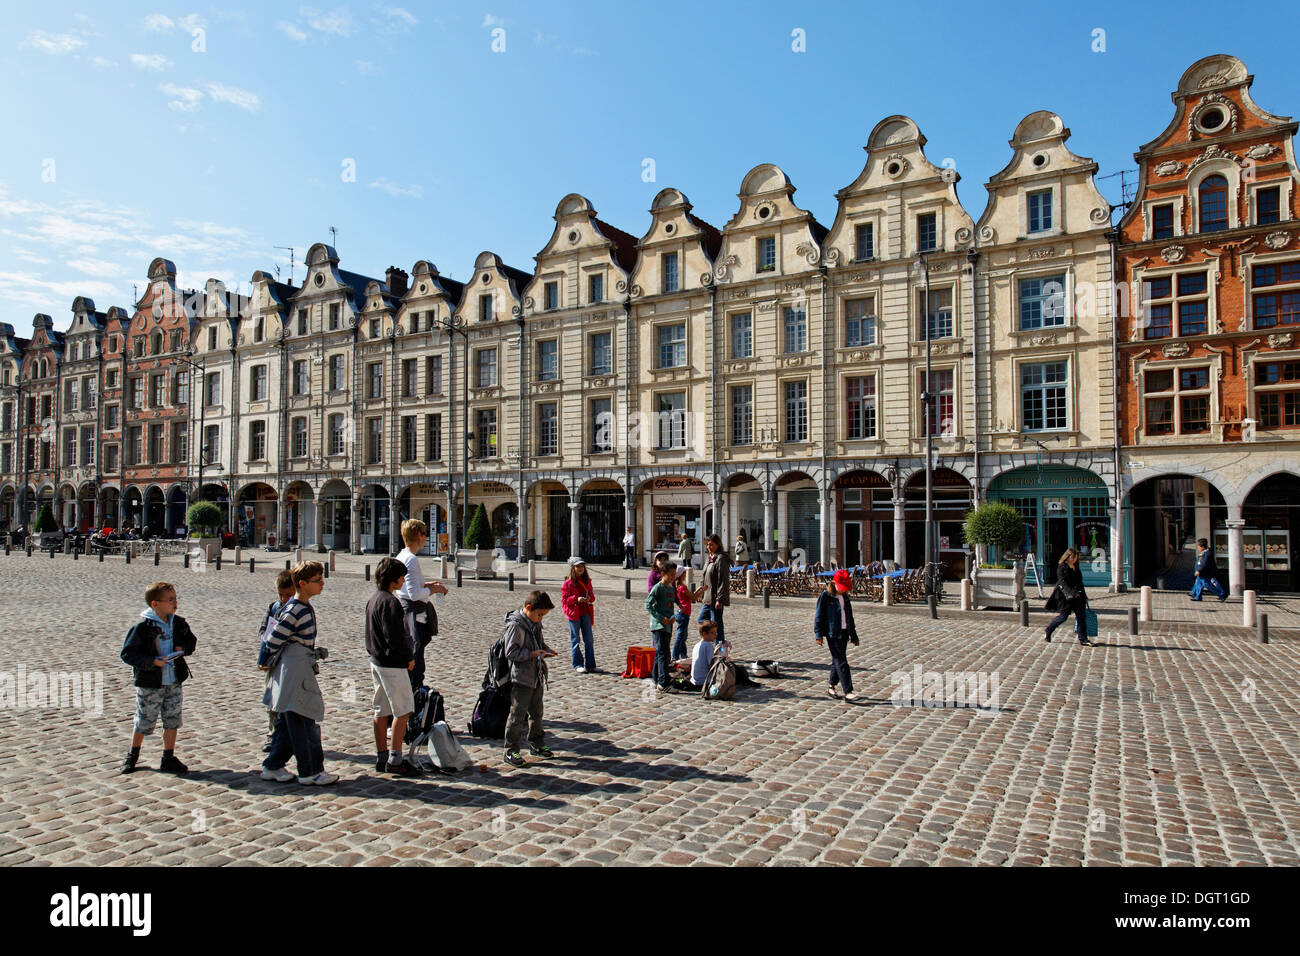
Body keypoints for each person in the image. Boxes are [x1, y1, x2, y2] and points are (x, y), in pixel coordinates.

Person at [261, 561, 338, 785]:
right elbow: (273, 639)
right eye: (318, 580)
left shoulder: (302, 607)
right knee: (303, 722)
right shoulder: (296, 609)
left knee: (289, 722)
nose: (322, 584)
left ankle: (272, 766)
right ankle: (309, 770)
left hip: (297, 667)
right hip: (294, 671)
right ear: (303, 584)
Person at [119, 581, 197, 774]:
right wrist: (152, 661)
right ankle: (133, 754)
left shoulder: (178, 623)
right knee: (145, 719)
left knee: (172, 719)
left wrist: (183, 649)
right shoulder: (143, 627)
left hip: (173, 680)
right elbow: (128, 654)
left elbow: (191, 642)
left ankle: (168, 756)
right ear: (155, 604)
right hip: (150, 683)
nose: (175, 603)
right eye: (170, 600)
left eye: (175, 598)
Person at [367, 557, 420, 777]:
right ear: (396, 579)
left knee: (381, 709)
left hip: (376, 660)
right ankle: (396, 758)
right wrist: (408, 656)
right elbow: (395, 637)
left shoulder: (374, 599)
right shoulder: (391, 602)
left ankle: (381, 756)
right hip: (392, 663)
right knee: (403, 710)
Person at [502, 591, 558, 768]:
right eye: (539, 614)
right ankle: (510, 749)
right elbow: (510, 652)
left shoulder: (535, 623)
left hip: (536, 675)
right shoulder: (516, 626)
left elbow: (539, 643)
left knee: (537, 713)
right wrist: (533, 654)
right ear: (528, 608)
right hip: (522, 677)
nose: (541, 618)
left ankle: (536, 743)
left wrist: (546, 650)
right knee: (518, 714)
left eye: (544, 616)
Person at [394, 518, 448, 691]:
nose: (426, 538)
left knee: (415, 658)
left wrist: (429, 586)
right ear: (418, 535)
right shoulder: (410, 559)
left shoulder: (402, 556)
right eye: (424, 534)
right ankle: (414, 701)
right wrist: (432, 591)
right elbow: (414, 594)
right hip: (413, 614)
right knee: (416, 663)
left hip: (409, 611)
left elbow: (410, 587)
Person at [257, 569, 297, 752]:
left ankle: (290, 734)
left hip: (290, 662)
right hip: (274, 661)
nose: (284, 599)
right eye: (281, 595)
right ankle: (272, 734)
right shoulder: (274, 608)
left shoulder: (298, 609)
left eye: (288, 595)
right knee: (272, 700)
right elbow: (263, 631)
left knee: (291, 700)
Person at [815, 569, 860, 701]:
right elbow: (819, 616)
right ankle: (848, 691)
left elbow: (849, 617)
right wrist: (818, 634)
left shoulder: (845, 597)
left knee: (837, 660)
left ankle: (831, 686)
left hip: (844, 632)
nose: (843, 590)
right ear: (834, 584)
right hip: (832, 633)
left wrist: (854, 635)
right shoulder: (825, 596)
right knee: (842, 662)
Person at [1045, 548, 1091, 646]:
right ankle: (1049, 629)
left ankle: (1083, 639)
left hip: (1078, 595)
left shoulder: (1076, 567)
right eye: (1073, 557)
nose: (1075, 559)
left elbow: (1079, 582)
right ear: (1068, 557)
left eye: (1076, 558)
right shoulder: (1062, 567)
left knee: (1081, 617)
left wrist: (1083, 595)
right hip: (1066, 596)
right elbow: (1062, 582)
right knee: (1063, 617)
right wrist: (1072, 593)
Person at [560, 557, 597, 674]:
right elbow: (564, 600)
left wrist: (590, 598)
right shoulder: (568, 583)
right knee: (575, 640)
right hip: (574, 614)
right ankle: (577, 664)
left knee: (589, 640)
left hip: (585, 612)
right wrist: (576, 599)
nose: (580, 568)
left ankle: (591, 665)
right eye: (578, 566)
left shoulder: (587, 581)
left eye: (582, 566)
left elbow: (592, 596)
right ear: (573, 568)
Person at [646, 561, 678, 692]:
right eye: (670, 575)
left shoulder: (671, 588)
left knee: (661, 652)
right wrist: (660, 618)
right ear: (662, 574)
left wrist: (672, 617)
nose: (673, 577)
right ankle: (663, 683)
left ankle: (655, 679)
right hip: (658, 625)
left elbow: (669, 606)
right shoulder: (658, 587)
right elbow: (648, 605)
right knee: (663, 654)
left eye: (674, 575)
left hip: (668, 625)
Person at [696, 533, 731, 646]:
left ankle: (719, 646)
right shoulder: (709, 558)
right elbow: (704, 578)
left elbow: (723, 580)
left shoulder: (720, 559)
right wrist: (700, 594)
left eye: (711, 545)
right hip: (707, 596)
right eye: (708, 545)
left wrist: (720, 599)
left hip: (715, 597)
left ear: (717, 545)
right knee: (702, 619)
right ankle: (711, 642)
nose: (708, 547)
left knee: (716, 623)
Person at [690, 620, 726, 687]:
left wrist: (714, 653)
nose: (716, 634)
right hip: (705, 680)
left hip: (694, 679)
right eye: (713, 633)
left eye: (716, 632)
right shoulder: (708, 645)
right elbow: (711, 664)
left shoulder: (697, 645)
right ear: (704, 633)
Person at [672, 564, 693, 661]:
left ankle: (683, 654)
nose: (686, 574)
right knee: (681, 636)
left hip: (681, 613)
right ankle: (675, 655)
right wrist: (701, 590)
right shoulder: (682, 587)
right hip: (684, 613)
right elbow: (692, 597)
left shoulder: (678, 586)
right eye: (684, 573)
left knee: (683, 635)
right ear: (681, 575)